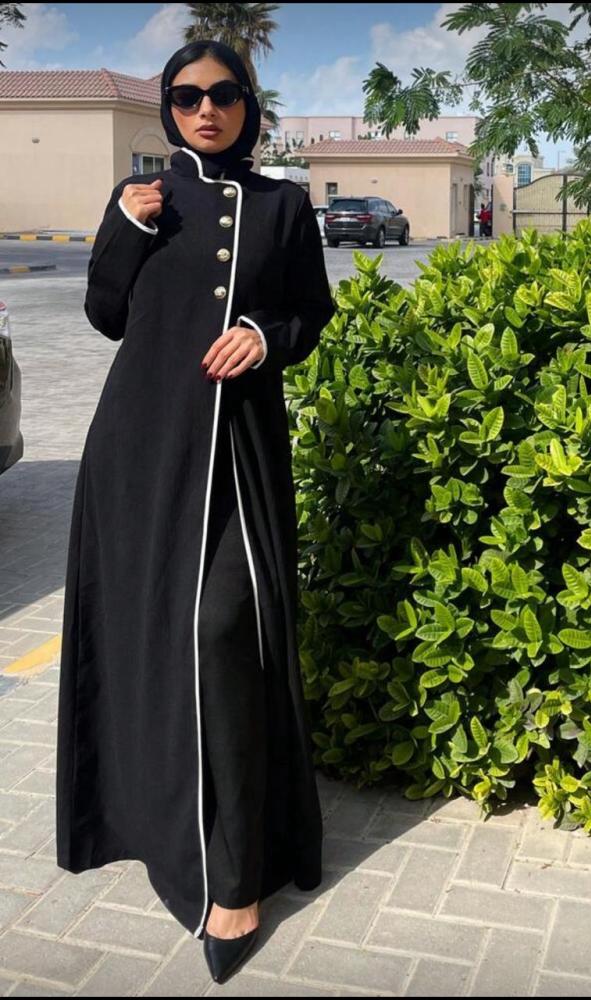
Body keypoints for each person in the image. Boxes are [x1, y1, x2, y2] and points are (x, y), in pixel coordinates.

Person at [55, 39, 337, 985]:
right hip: (139, 452)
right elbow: (106, 314)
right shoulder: (142, 198)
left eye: (222, 94)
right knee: (148, 640)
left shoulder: (283, 205)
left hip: (238, 455)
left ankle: (236, 875)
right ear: (169, 109)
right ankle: (147, 822)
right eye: (184, 97)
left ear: (248, 105)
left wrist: (265, 335)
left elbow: (311, 312)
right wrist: (124, 230)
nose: (204, 109)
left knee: (223, 634)